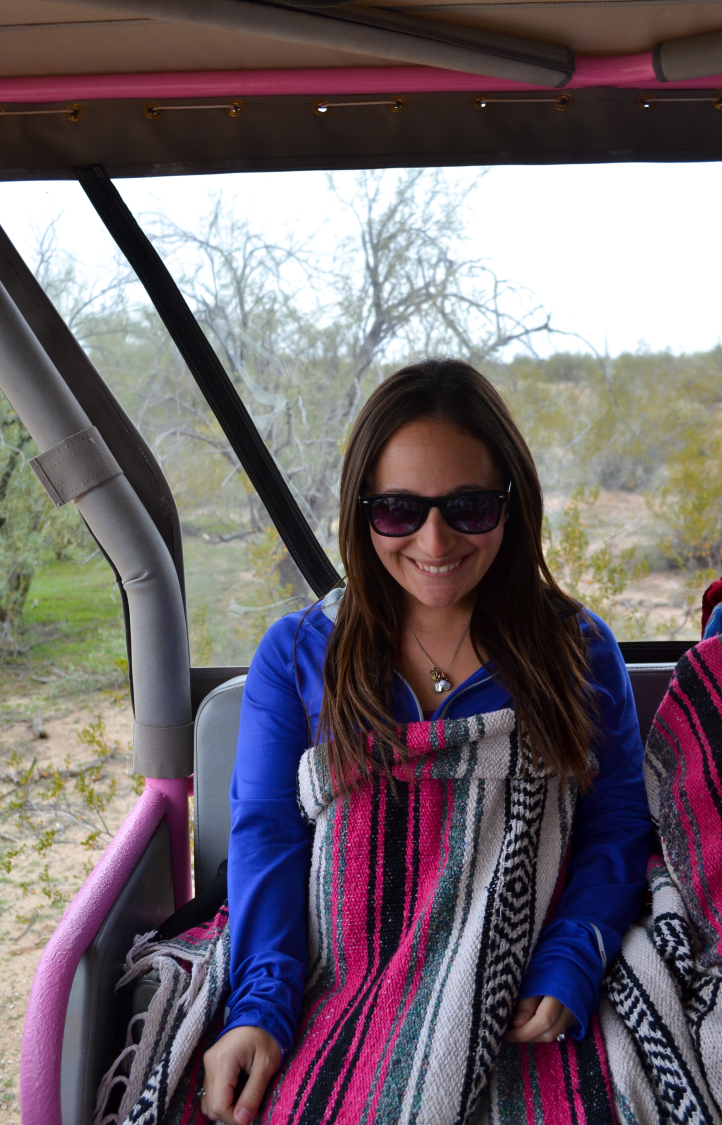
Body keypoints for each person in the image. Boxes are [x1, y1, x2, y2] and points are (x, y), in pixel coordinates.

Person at [200, 358, 652, 1125]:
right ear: (361, 510)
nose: (434, 539)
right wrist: (260, 1007)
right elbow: (269, 837)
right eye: (399, 510)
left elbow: (615, 823)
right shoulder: (298, 654)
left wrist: (574, 952)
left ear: (512, 503)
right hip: (341, 979)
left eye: (470, 507)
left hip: (525, 983)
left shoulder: (577, 647)